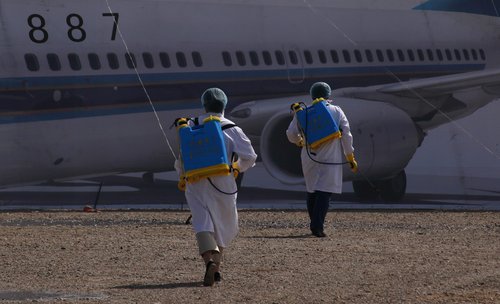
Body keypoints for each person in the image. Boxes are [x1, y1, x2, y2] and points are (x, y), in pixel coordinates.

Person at [175, 88, 257, 286]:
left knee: (202, 224)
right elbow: (250, 157)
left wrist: (181, 176)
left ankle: (208, 261)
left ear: (204, 105)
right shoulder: (231, 128)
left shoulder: (190, 125)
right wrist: (237, 168)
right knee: (223, 225)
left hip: (195, 181)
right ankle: (217, 268)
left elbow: (181, 159)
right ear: (224, 105)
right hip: (223, 181)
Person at [286, 82, 358, 237]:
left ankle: (315, 223)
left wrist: (299, 141)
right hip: (330, 157)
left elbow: (291, 134)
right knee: (325, 191)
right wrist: (350, 156)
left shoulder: (303, 112)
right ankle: (317, 226)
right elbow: (346, 135)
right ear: (328, 95)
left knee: (312, 190)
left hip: (308, 156)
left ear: (312, 96)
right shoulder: (336, 110)